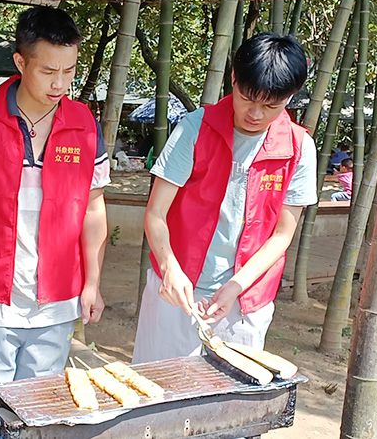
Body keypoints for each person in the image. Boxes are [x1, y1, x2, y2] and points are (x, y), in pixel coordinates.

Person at [0, 6, 109, 415]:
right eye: (48, 71)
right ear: (20, 61)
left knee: (41, 408)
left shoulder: (85, 125)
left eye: (69, 71)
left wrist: (93, 281)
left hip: (57, 299)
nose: (60, 83)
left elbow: (92, 209)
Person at [132, 33, 317, 364]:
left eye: (272, 105)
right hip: (176, 288)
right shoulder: (194, 128)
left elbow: (282, 235)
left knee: (228, 400)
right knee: (157, 391)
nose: (256, 114)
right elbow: (156, 213)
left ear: (291, 97)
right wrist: (169, 266)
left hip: (245, 299)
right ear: (234, 78)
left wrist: (236, 286)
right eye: (247, 98)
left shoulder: (300, 148)